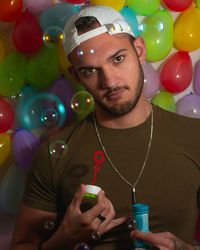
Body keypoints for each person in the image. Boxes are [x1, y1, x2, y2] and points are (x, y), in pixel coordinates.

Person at [10, 5, 200, 250]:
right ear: (76, 76)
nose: (109, 81)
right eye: (90, 70)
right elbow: (21, 245)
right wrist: (64, 238)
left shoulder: (194, 136)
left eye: (118, 59)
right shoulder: (55, 153)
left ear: (139, 50)